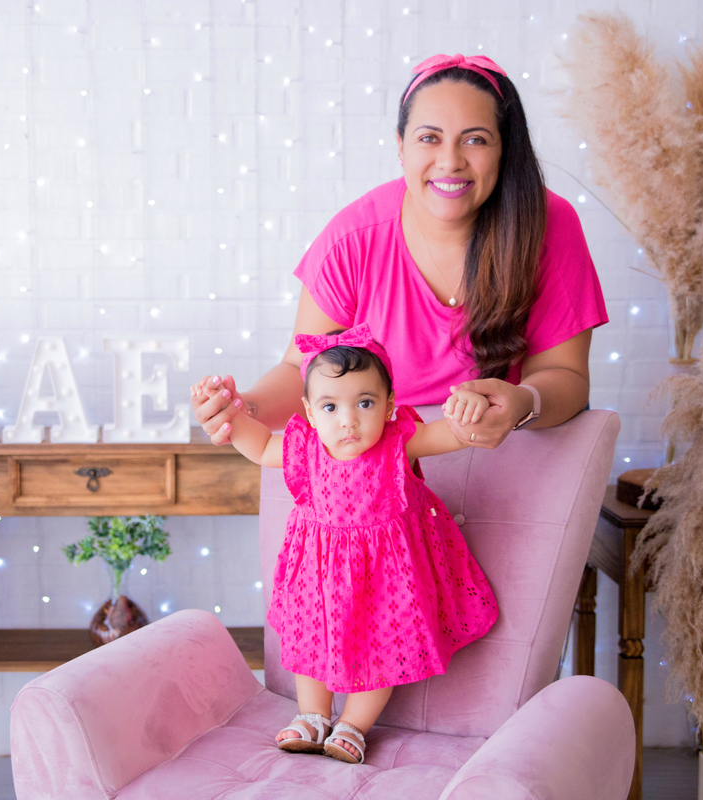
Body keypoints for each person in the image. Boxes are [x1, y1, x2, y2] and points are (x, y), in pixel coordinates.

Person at [192, 52, 607, 758]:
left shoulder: (549, 226)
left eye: (476, 138)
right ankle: (329, 718)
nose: (451, 159)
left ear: (506, 148)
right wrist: (240, 406)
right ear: (400, 145)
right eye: (429, 137)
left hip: (489, 458)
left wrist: (522, 399)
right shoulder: (355, 236)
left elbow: (567, 375)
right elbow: (302, 369)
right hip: (356, 480)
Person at [219, 325, 498, 764]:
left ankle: (353, 725)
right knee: (309, 645)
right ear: (310, 412)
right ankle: (312, 715)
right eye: (330, 406)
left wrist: (470, 409)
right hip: (317, 577)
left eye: (364, 403)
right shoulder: (305, 448)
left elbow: (455, 435)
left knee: (380, 648)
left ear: (389, 405)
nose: (347, 420)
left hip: (385, 579)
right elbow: (256, 445)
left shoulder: (399, 442)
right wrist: (231, 417)